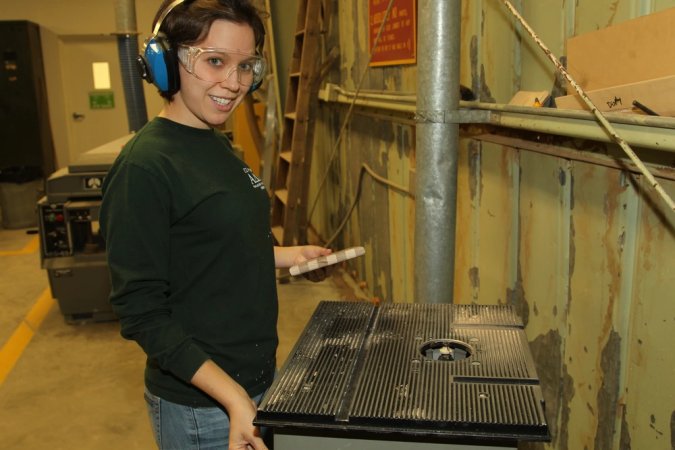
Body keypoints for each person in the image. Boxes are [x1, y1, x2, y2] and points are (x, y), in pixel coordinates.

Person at [99, 1, 331, 449]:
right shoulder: (145, 167)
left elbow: (211, 246)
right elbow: (141, 311)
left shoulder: (214, 142)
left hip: (253, 384)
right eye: (215, 61)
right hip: (203, 408)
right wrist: (234, 399)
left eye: (247, 66)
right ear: (166, 63)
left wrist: (285, 256)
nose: (235, 83)